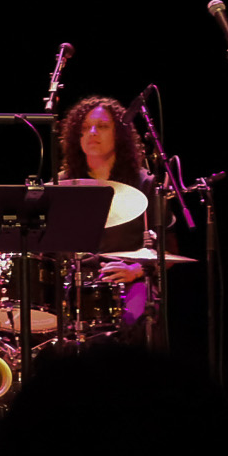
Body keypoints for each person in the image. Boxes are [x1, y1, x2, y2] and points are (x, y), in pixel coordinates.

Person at [58, 95, 163, 339]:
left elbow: (169, 250)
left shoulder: (144, 183)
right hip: (72, 285)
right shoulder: (60, 185)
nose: (92, 132)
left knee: (135, 320)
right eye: (84, 128)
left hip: (129, 284)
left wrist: (137, 270)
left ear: (120, 134)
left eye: (102, 126)